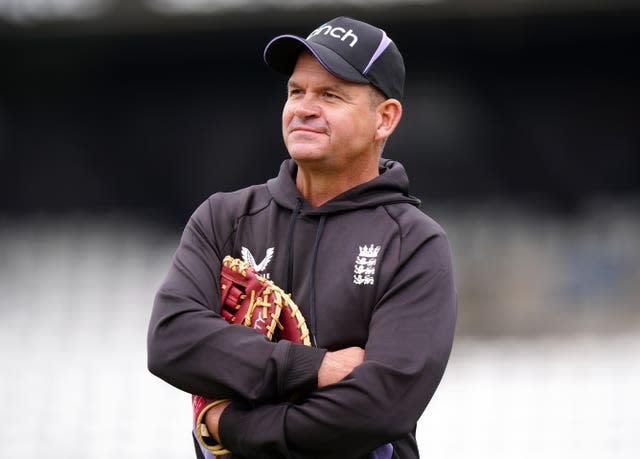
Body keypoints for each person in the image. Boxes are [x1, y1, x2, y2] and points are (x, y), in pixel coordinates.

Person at [147, 16, 457, 459]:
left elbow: (377, 409)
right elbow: (170, 342)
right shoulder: (224, 217)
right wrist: (315, 368)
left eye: (330, 95)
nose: (304, 108)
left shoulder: (414, 242)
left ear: (384, 119)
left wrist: (234, 427)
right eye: (296, 92)